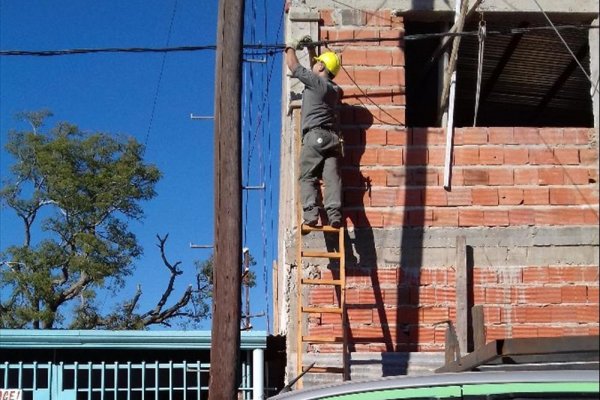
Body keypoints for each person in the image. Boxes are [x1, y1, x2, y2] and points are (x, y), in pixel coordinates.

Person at [284, 37, 343, 229]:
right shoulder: (335, 90)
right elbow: (315, 72)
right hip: (333, 140)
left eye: (318, 63)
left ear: (322, 67)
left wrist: (290, 46)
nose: (314, 65)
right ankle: (334, 215)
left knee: (307, 176)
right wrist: (311, 49)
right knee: (331, 178)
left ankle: (311, 214)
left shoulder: (316, 84)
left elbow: (294, 66)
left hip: (315, 137)